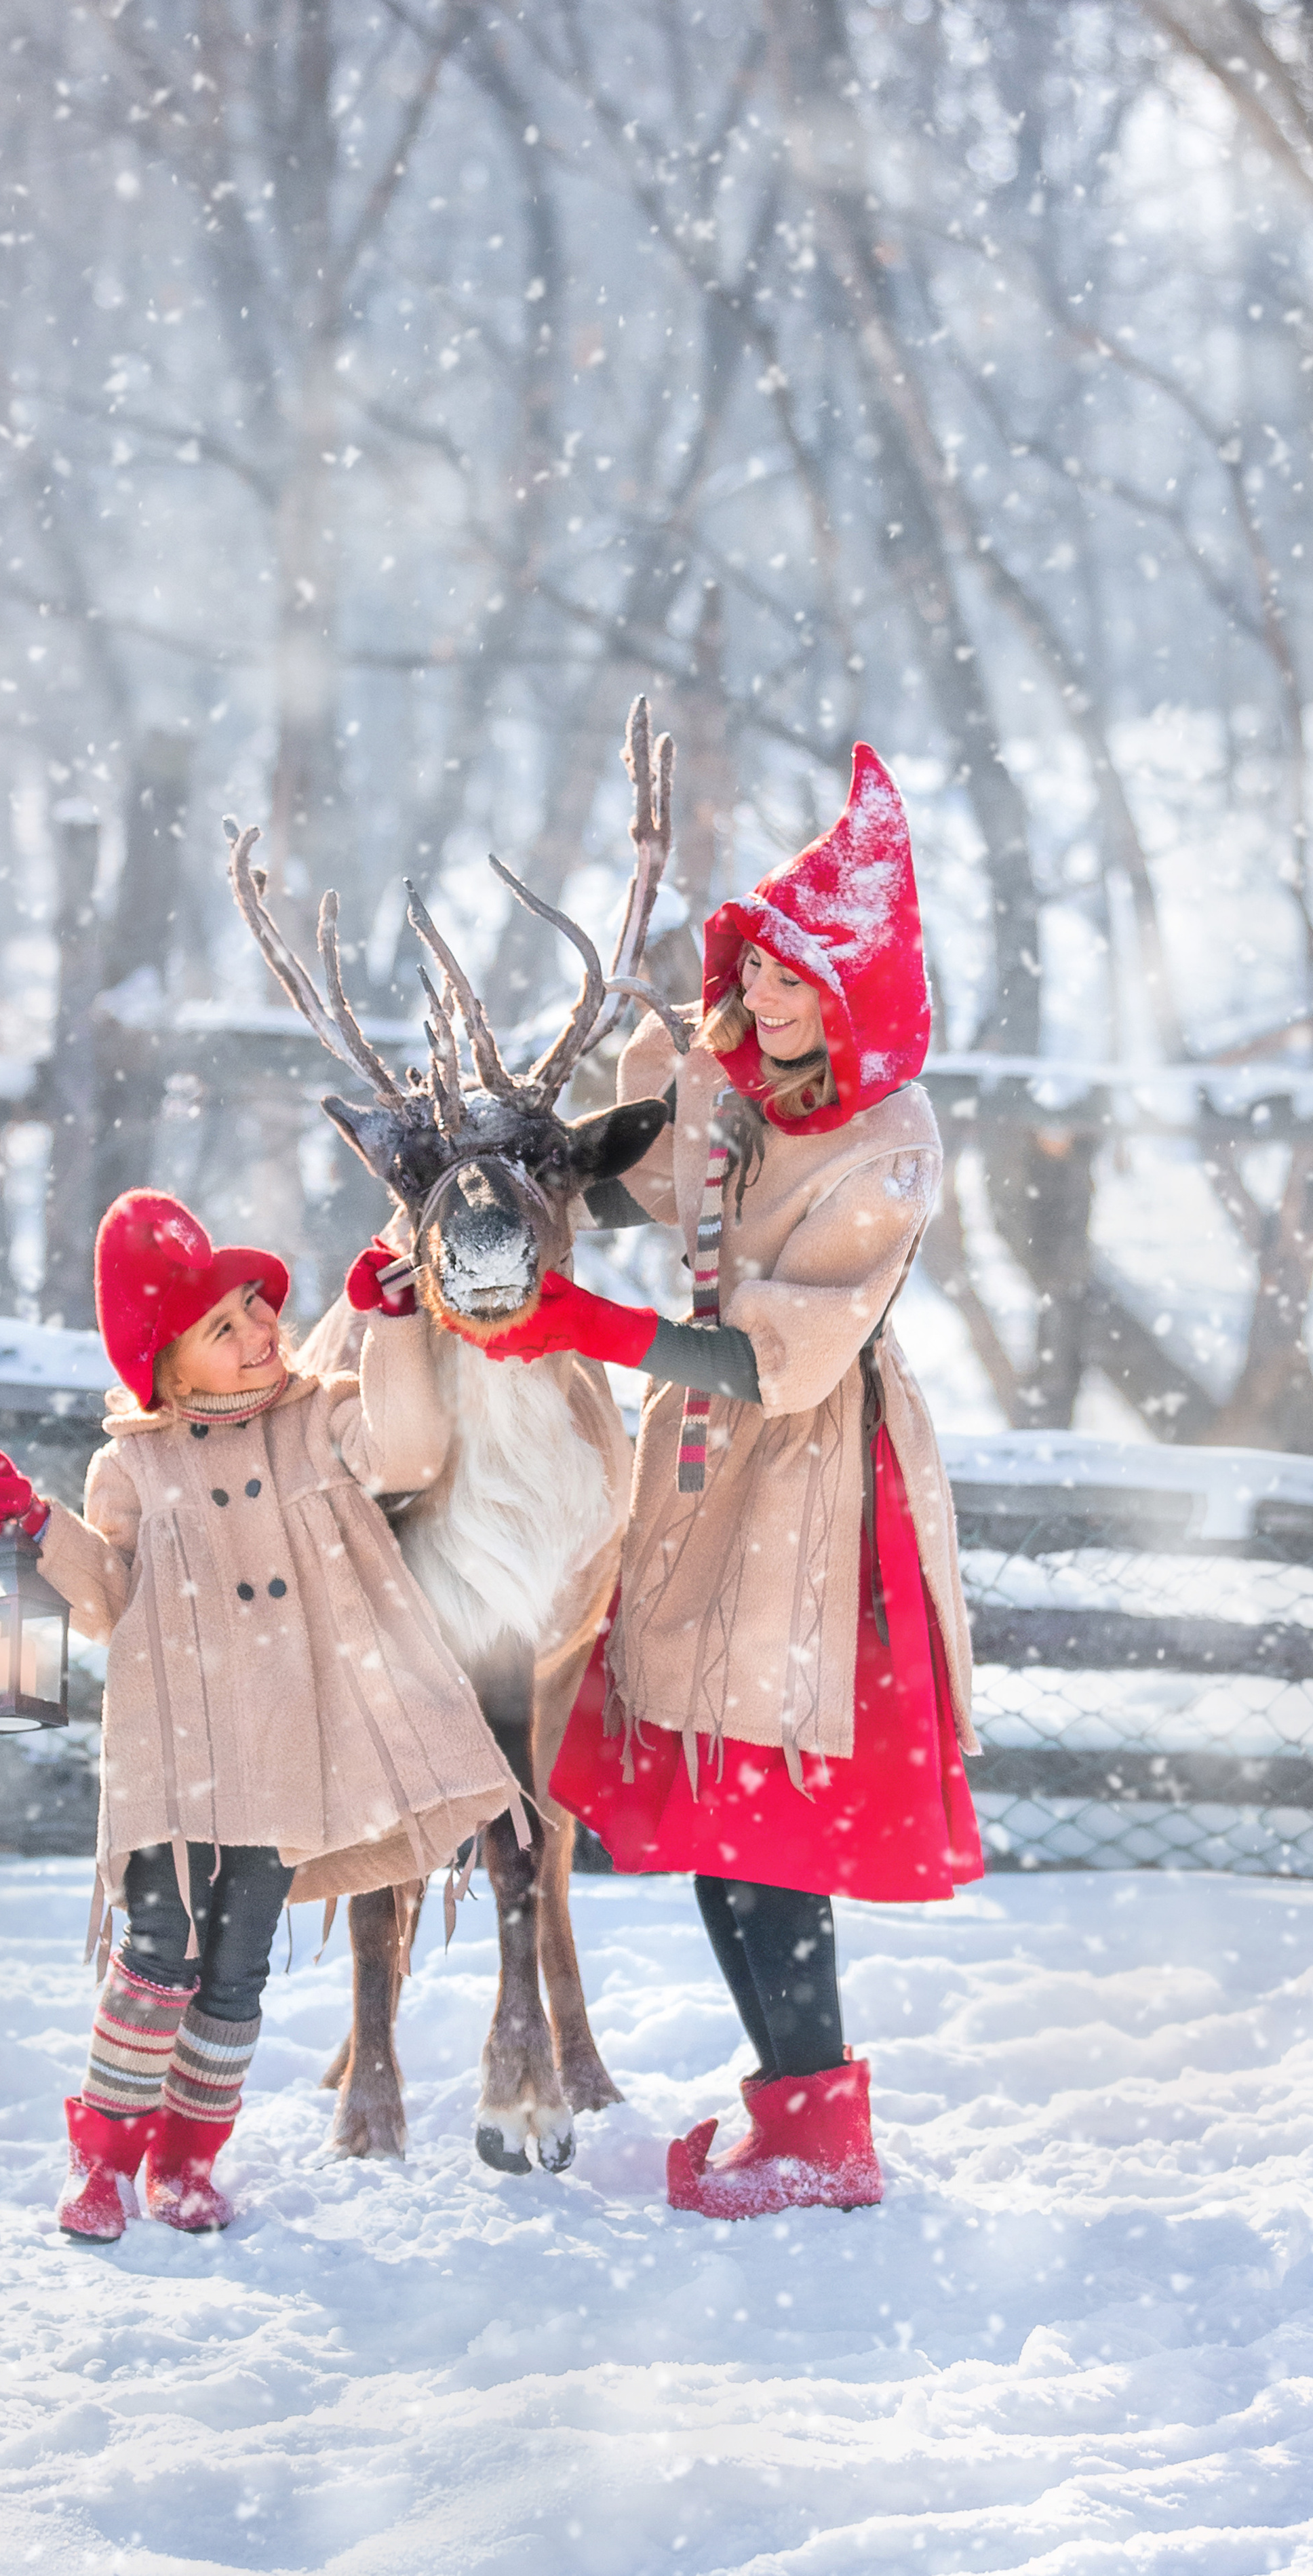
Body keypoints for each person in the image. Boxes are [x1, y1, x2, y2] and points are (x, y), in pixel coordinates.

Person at [449, 743, 982, 2219]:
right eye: (753, 969)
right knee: (709, 1805)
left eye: (796, 979)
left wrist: (592, 1328)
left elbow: (782, 1361)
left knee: (768, 1809)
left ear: (857, 995)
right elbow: (637, 1189)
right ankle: (795, 2115)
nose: (761, 998)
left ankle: (822, 2135)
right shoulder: (737, 1088)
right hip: (700, 1472)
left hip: (811, 1490)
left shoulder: (887, 1142)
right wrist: (481, 1213)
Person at [0, 1191, 522, 2242]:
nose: (261, 1332)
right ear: (165, 1370)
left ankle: (188, 2157)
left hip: (282, 1753)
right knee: (158, 1951)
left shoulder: (315, 1424)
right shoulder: (133, 1466)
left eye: (257, 1309)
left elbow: (407, 1452)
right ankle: (104, 2157)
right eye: (222, 1328)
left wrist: (397, 1327)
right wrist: (42, 1535)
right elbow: (107, 1604)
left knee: (234, 1967)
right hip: (175, 1752)